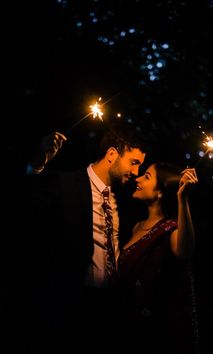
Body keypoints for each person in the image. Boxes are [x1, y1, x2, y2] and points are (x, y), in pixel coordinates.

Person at [15, 121, 148, 353]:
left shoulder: (126, 203)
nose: (136, 172)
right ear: (111, 154)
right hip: (65, 307)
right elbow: (22, 213)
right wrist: (37, 166)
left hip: (108, 311)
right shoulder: (65, 184)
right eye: (134, 162)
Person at [116, 161, 199, 354]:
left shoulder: (169, 230)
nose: (137, 179)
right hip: (123, 327)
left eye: (146, 176)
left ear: (161, 192)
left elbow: (184, 251)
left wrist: (183, 198)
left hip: (152, 337)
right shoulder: (136, 227)